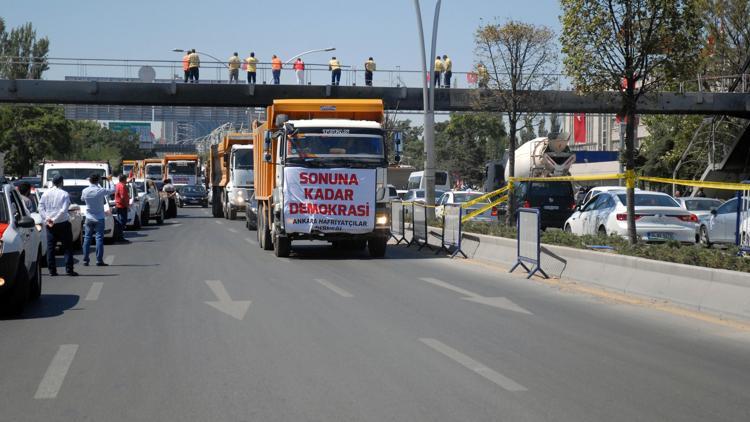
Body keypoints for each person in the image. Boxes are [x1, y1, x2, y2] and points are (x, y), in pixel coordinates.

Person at [38, 175, 77, 276]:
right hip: (62, 223)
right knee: (67, 247)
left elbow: (40, 208)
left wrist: (48, 219)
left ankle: (52, 271)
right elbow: (63, 210)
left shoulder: (45, 193)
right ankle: (69, 269)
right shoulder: (64, 194)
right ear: (61, 182)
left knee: (51, 248)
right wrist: (54, 219)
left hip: (50, 224)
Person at [81, 173, 115, 267]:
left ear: (90, 180)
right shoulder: (100, 190)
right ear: (98, 181)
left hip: (89, 217)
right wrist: (110, 180)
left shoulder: (85, 190)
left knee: (87, 239)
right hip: (99, 217)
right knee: (99, 238)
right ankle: (99, 260)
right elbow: (113, 190)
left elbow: (82, 199)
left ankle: (85, 260)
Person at [114, 175, 130, 242]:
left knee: (121, 221)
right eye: (126, 179)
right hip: (122, 206)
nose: (126, 181)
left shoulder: (117, 185)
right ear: (123, 179)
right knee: (122, 221)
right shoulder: (122, 186)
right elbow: (122, 197)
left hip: (119, 205)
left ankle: (119, 236)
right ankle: (120, 237)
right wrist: (126, 205)